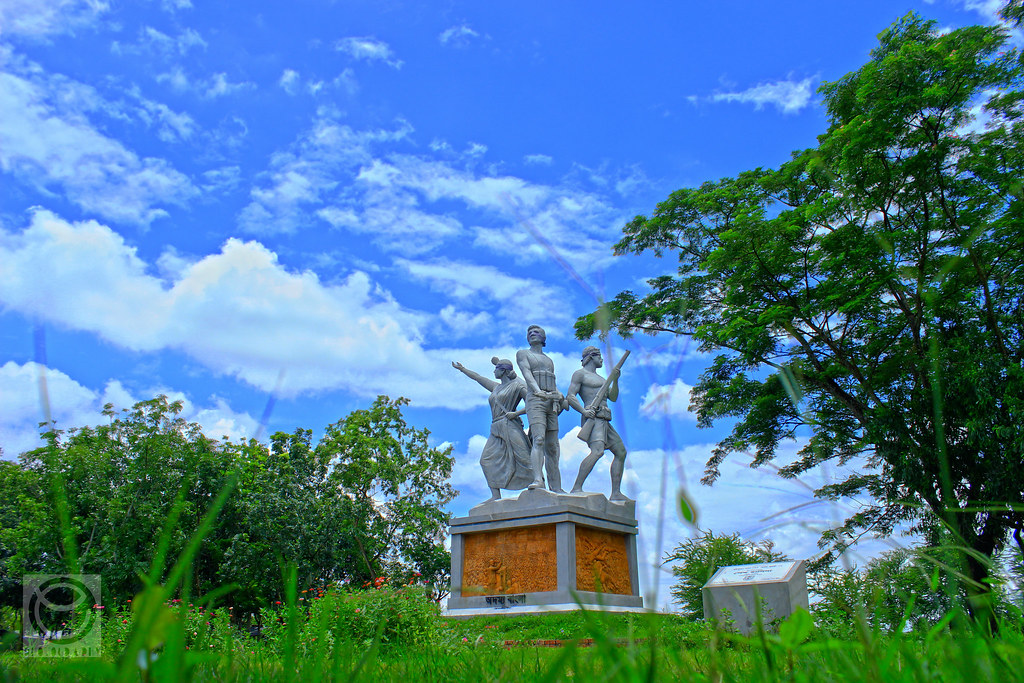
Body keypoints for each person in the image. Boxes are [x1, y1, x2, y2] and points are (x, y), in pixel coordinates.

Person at [452, 357, 534, 501]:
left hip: (510, 425)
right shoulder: (496, 387)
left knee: (524, 457)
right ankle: (495, 495)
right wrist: (463, 369)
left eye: (496, 368)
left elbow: (532, 403)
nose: (494, 371)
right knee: (486, 460)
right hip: (495, 427)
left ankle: (538, 486)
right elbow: (478, 378)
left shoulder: (517, 386)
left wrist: (516, 413)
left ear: (503, 371)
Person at [565, 346, 629, 501]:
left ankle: (615, 493)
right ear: (591, 357)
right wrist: (583, 411)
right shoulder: (580, 374)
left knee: (621, 452)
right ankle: (576, 488)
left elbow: (612, 397)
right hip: (593, 418)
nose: (601, 359)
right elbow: (570, 396)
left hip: (605, 419)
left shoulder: (602, 379)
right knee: (598, 451)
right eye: (599, 356)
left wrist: (615, 380)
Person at [515, 325, 565, 492]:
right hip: (536, 400)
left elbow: (553, 382)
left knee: (552, 446)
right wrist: (537, 391)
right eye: (529, 333)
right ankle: (538, 480)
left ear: (544, 338)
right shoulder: (523, 354)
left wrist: (559, 395)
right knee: (538, 440)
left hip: (551, 402)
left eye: (536, 332)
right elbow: (527, 374)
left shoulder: (549, 360)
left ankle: (557, 487)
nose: (532, 334)